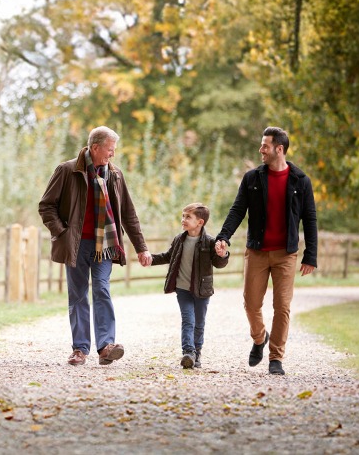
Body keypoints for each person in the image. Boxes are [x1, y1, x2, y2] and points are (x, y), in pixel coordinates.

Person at [38, 126, 151, 366]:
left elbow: (129, 214)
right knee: (78, 295)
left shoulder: (116, 175)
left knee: (101, 288)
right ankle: (80, 349)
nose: (112, 154)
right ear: (95, 147)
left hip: (105, 245)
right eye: (110, 150)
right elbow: (46, 206)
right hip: (76, 245)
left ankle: (105, 347)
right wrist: (63, 233)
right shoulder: (68, 170)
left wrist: (141, 247)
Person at [213, 127, 318, 376]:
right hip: (257, 251)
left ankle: (276, 358)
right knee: (251, 304)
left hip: (286, 254)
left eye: (265, 146)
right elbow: (237, 210)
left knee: (282, 306)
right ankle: (260, 338)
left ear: (278, 149)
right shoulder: (252, 179)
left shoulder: (300, 181)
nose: (261, 150)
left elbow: (310, 218)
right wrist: (223, 237)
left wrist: (310, 255)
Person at [150, 203, 229, 369]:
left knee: (199, 322)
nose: (183, 220)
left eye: (188, 217)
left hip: (202, 290)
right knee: (188, 320)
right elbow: (168, 256)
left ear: (200, 222)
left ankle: (197, 352)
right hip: (183, 288)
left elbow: (219, 263)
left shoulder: (209, 242)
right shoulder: (180, 239)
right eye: (183, 216)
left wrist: (223, 255)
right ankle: (188, 352)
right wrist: (151, 259)